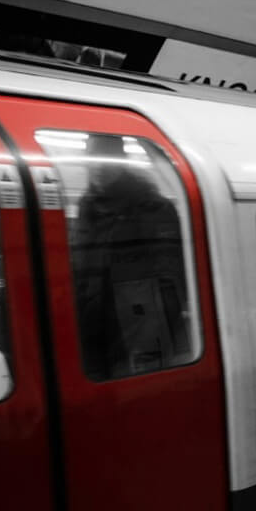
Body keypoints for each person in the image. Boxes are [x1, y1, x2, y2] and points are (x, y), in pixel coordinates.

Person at [71, 134, 188, 379]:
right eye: (92, 158)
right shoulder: (87, 208)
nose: (99, 166)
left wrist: (149, 340)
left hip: (137, 335)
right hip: (91, 333)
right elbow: (79, 268)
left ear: (122, 161)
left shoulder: (153, 208)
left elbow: (172, 282)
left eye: (107, 159)